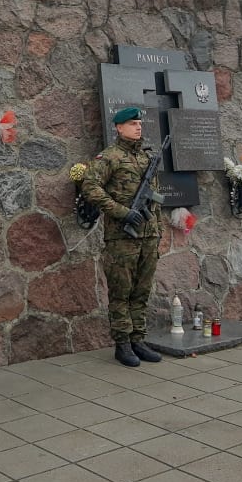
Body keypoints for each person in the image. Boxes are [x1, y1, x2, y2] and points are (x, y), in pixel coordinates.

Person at [81, 107, 163, 367]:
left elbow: (154, 200)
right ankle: (123, 344)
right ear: (119, 127)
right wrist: (121, 212)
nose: (138, 127)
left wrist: (157, 230)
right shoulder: (110, 157)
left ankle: (138, 339)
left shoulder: (145, 158)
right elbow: (90, 186)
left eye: (139, 123)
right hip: (122, 237)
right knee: (121, 292)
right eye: (132, 123)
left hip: (148, 235)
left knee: (141, 291)